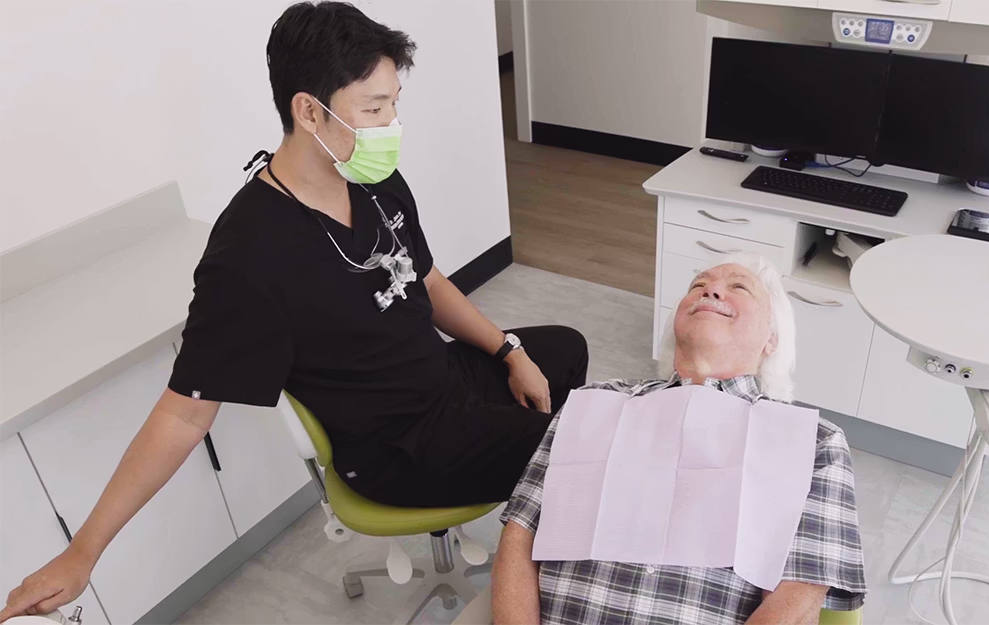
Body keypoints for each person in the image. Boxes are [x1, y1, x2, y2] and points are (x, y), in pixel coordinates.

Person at [0, 3, 588, 621]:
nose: (392, 123)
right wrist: (83, 552)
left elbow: (427, 277)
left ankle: (541, 502)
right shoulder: (249, 255)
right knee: (580, 454)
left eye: (394, 103)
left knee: (564, 349)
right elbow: (181, 417)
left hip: (441, 381)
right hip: (399, 447)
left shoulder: (374, 178)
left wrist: (508, 350)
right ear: (309, 110)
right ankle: (552, 547)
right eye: (374, 108)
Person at [493, 253, 867, 625]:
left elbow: (797, 602)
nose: (713, 291)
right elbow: (520, 531)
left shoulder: (811, 441)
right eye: (698, 286)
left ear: (772, 338)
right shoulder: (598, 402)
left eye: (738, 287)